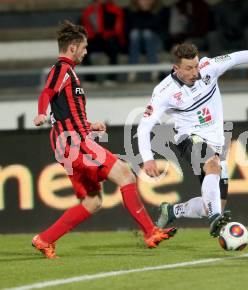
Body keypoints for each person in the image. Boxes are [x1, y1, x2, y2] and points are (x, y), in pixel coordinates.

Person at [31, 20, 176, 259]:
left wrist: (90, 125)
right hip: (73, 142)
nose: (86, 51)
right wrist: (40, 112)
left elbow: (65, 113)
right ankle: (151, 232)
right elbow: (47, 93)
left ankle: (44, 239)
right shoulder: (62, 69)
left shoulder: (69, 74)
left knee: (93, 202)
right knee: (125, 174)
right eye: (85, 47)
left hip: (72, 139)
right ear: (73, 47)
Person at [137, 43, 248, 237]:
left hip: (216, 143)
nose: (195, 72)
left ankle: (171, 211)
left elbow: (238, 56)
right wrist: (147, 158)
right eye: (189, 68)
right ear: (176, 68)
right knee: (212, 166)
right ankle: (215, 220)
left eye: (196, 65)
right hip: (188, 138)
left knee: (212, 205)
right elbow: (144, 126)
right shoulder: (164, 92)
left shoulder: (208, 68)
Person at [81, 0, 125, 82]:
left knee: (113, 45)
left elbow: (118, 30)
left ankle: (111, 78)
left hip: (110, 38)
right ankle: (90, 79)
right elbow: (86, 27)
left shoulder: (115, 10)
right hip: (95, 38)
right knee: (82, 47)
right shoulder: (89, 10)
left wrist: (107, 35)